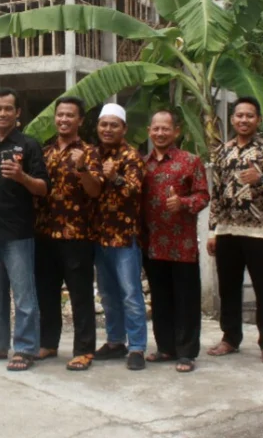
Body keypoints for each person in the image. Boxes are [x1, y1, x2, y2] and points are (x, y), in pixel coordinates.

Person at [206, 96, 263, 366]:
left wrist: (260, 179)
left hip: (260, 232)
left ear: (257, 119)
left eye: (249, 116)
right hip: (227, 231)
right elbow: (216, 194)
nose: (244, 120)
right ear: (232, 119)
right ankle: (230, 338)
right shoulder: (223, 151)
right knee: (228, 288)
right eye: (239, 115)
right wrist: (212, 230)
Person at [0, 88, 48, 372]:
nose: (2, 113)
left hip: (19, 234)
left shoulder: (29, 145)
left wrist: (21, 176)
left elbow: (43, 188)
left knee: (24, 295)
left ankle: (26, 348)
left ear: (18, 113)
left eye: (8, 109)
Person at [34, 96, 102, 371]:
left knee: (80, 295)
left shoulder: (90, 152)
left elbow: (95, 191)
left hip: (77, 236)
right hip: (45, 233)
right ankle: (48, 343)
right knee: (46, 293)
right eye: (60, 114)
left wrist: (82, 167)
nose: (64, 119)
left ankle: (84, 350)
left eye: (70, 115)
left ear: (80, 120)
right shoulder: (44, 152)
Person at [140, 110, 209, 374]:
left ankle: (187, 352)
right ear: (149, 131)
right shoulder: (142, 165)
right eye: (156, 128)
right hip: (152, 244)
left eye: (165, 128)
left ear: (176, 131)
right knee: (160, 300)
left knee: (186, 300)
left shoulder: (190, 161)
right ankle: (166, 347)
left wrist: (183, 203)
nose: (160, 133)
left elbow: (203, 196)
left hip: (182, 246)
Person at [92, 103, 148, 371]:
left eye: (113, 125)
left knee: (130, 294)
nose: (108, 129)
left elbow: (136, 191)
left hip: (125, 237)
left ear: (124, 129)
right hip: (99, 236)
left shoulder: (132, 156)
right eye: (104, 124)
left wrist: (115, 178)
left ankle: (137, 347)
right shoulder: (93, 155)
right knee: (107, 294)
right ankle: (115, 341)